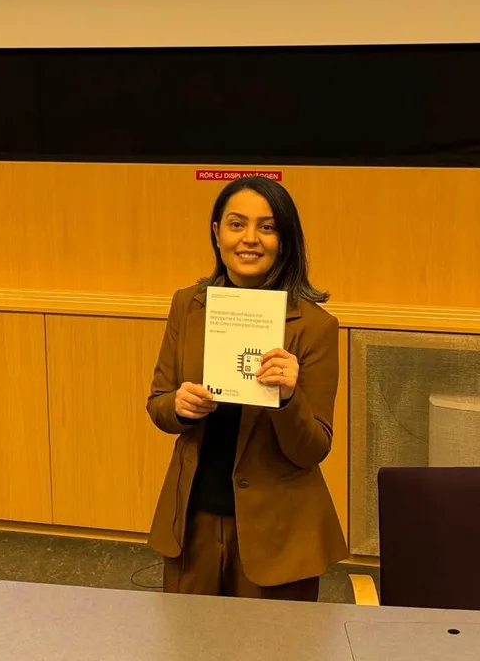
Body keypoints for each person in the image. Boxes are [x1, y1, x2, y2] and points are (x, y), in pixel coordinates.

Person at [145, 176, 346, 601]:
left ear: (285, 239)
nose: (250, 239)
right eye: (237, 224)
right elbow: (158, 404)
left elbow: (312, 449)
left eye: (267, 227)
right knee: (189, 644)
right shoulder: (188, 304)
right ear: (217, 232)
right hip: (194, 521)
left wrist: (288, 398)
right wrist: (178, 406)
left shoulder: (315, 327)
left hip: (278, 531)